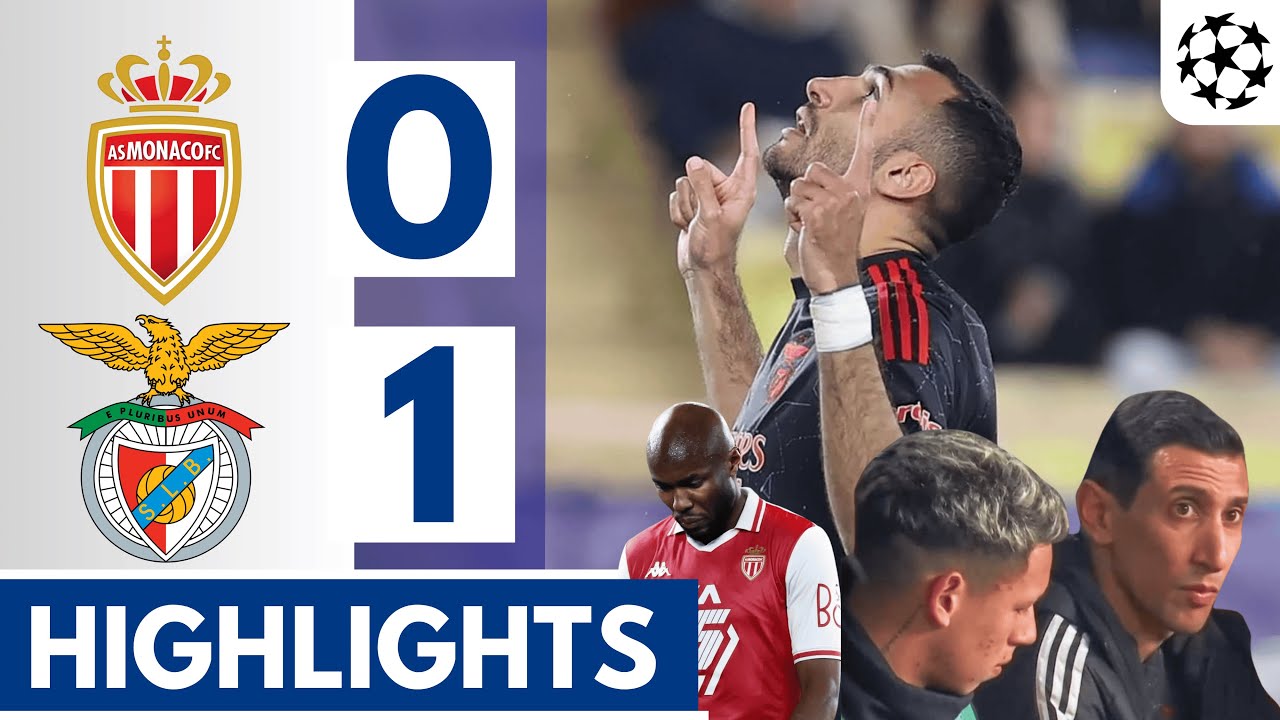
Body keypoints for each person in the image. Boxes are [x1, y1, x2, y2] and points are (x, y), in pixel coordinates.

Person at [671, 51, 1021, 555]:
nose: (819, 85)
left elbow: (888, 538)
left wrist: (835, 291)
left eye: (871, 93)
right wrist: (712, 269)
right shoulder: (848, 301)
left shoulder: (909, 316)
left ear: (903, 176)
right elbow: (761, 466)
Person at [973, 390, 1280, 719]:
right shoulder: (1053, 660)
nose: (1216, 556)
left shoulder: (1209, 645)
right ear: (1099, 514)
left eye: (1232, 515)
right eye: (1184, 509)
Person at [619, 402, 840, 720]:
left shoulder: (800, 544)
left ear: (733, 462)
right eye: (664, 488)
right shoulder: (638, 558)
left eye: (693, 484)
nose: (679, 503)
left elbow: (823, 692)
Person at [841, 429, 1070, 719]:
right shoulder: (797, 702)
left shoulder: (950, 698)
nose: (1028, 634)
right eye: (1020, 608)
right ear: (946, 598)